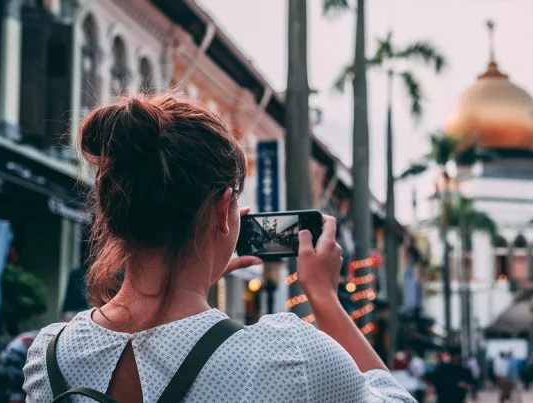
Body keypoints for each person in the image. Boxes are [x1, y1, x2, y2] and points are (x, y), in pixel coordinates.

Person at [22, 95, 415, 402]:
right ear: (224, 209)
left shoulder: (49, 356)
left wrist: (192, 277)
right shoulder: (289, 356)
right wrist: (324, 297)